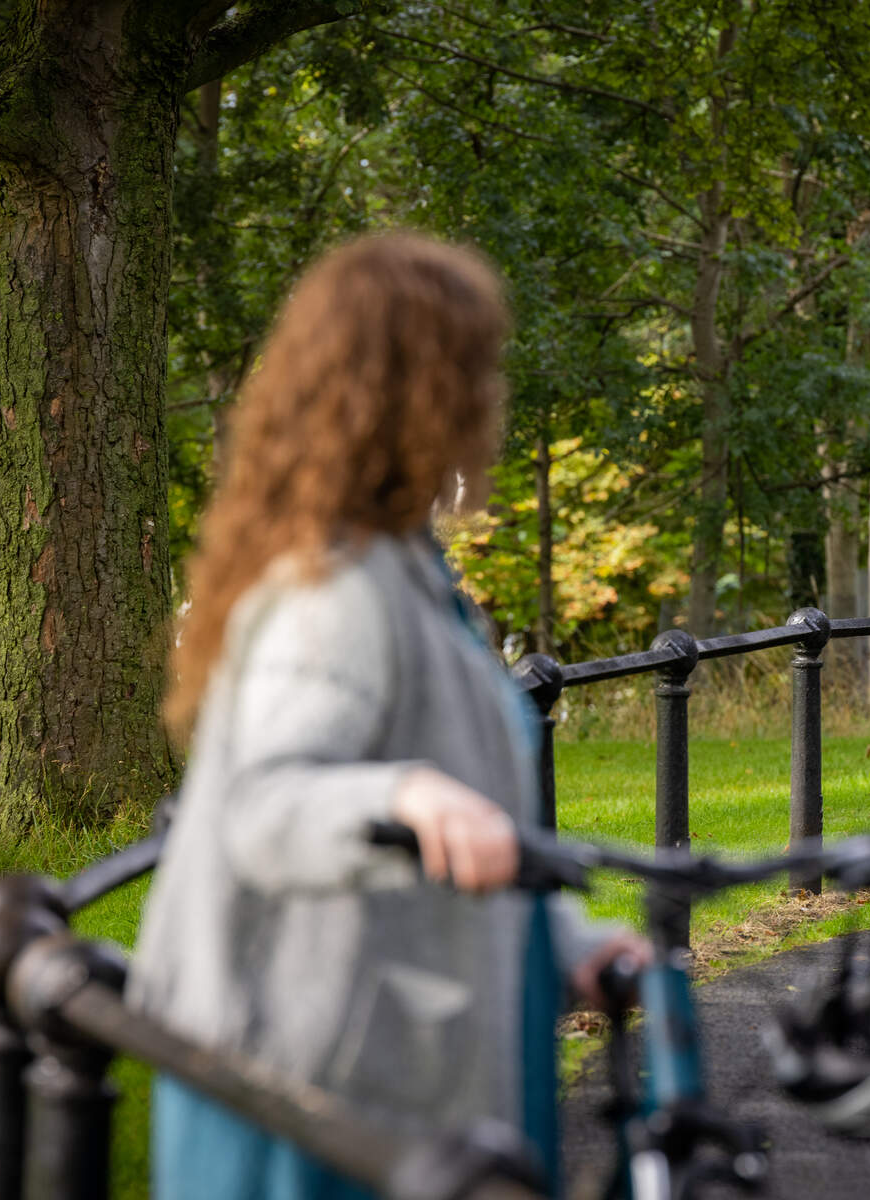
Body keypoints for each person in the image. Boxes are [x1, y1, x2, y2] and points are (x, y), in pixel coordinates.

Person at [127, 232, 646, 1199]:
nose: (489, 403)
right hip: (309, 1092)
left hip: (381, 1065)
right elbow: (262, 804)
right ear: (419, 388)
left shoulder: (407, 568)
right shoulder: (341, 590)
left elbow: (463, 804)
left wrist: (569, 944)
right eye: (475, 371)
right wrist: (402, 792)